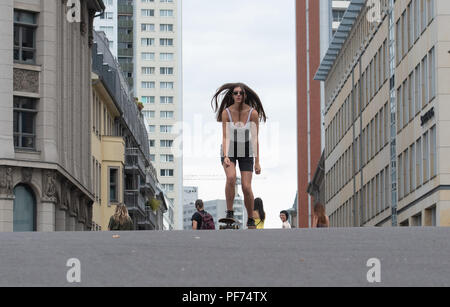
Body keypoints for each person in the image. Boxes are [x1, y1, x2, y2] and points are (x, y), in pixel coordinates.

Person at [212, 83, 267, 229]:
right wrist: (225, 156)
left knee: (246, 186)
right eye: (235, 93)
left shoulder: (252, 113)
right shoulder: (226, 113)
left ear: (245, 96)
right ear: (232, 95)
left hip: (246, 150)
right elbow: (225, 137)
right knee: (230, 177)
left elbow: (255, 139)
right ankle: (230, 212)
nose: (238, 95)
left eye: (240, 93)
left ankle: (250, 218)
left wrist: (257, 162)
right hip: (229, 149)